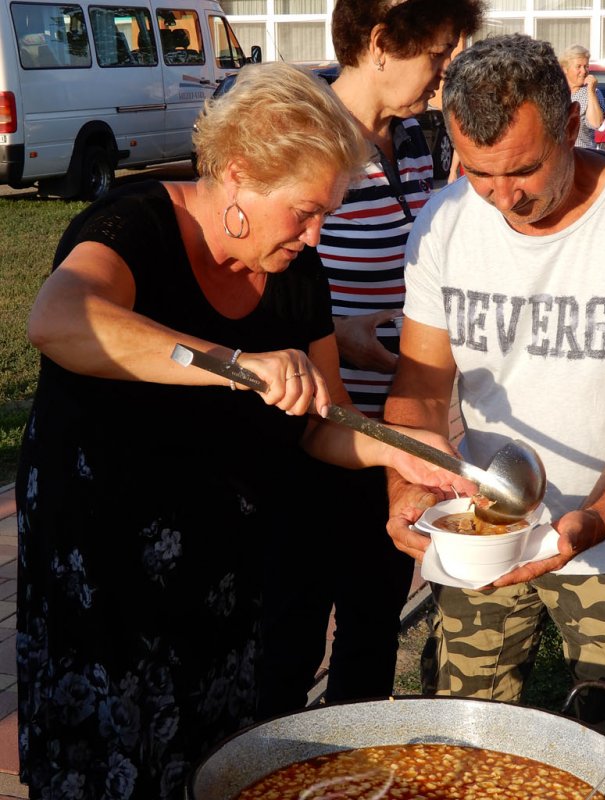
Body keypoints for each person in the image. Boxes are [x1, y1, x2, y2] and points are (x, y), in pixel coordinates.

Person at [14, 62, 476, 800]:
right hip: (103, 581)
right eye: (303, 210)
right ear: (237, 176)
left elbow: (320, 424)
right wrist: (236, 365)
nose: (316, 231)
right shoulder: (133, 225)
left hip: (223, 581)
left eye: (327, 210)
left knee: (217, 771)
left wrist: (408, 454)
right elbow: (59, 319)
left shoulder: (297, 273)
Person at [382, 33, 605, 787]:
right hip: (482, 526)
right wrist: (404, 487)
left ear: (571, 125)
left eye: (525, 169)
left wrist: (593, 520)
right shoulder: (442, 224)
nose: (506, 197)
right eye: (479, 173)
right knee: (466, 740)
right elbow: (423, 380)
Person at [256, 0, 485, 718]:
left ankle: (358, 768)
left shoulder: (414, 137)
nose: (443, 74)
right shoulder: (303, 131)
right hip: (314, 426)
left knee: (373, 621)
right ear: (382, 43)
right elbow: (260, 277)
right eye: (437, 55)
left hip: (393, 428)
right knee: (288, 634)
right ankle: (279, 764)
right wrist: (337, 330)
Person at [559, 44, 605, 149]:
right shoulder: (556, 92)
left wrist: (591, 91)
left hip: (582, 155)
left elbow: (596, 123)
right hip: (557, 156)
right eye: (578, 66)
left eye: (586, 66)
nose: (584, 71)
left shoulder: (594, 93)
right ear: (565, 69)